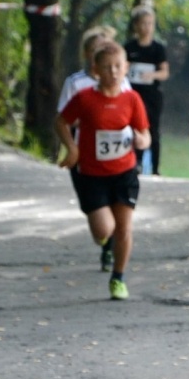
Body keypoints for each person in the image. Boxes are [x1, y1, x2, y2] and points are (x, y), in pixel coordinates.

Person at [55, 40, 150, 301]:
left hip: (124, 173)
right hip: (93, 175)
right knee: (104, 230)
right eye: (107, 67)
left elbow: (144, 132)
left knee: (124, 229)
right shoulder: (84, 98)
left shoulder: (132, 98)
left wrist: (143, 140)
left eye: (118, 66)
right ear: (96, 69)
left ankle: (118, 278)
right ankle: (104, 243)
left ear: (126, 67)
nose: (113, 72)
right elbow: (61, 122)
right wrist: (72, 149)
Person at [56, 25, 131, 272]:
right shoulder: (76, 83)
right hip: (84, 148)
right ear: (89, 55)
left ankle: (112, 247)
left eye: (105, 46)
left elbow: (130, 113)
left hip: (117, 153)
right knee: (97, 213)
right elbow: (64, 117)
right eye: (95, 49)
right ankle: (105, 237)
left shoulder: (122, 81)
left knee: (118, 212)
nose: (101, 52)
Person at [124, 6, 169, 176]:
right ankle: (135, 164)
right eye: (143, 23)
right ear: (136, 25)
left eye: (150, 23)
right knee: (133, 127)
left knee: (153, 129)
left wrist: (152, 74)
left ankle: (155, 168)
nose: (147, 27)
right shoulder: (129, 47)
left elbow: (165, 72)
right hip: (132, 94)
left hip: (152, 96)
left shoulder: (158, 49)